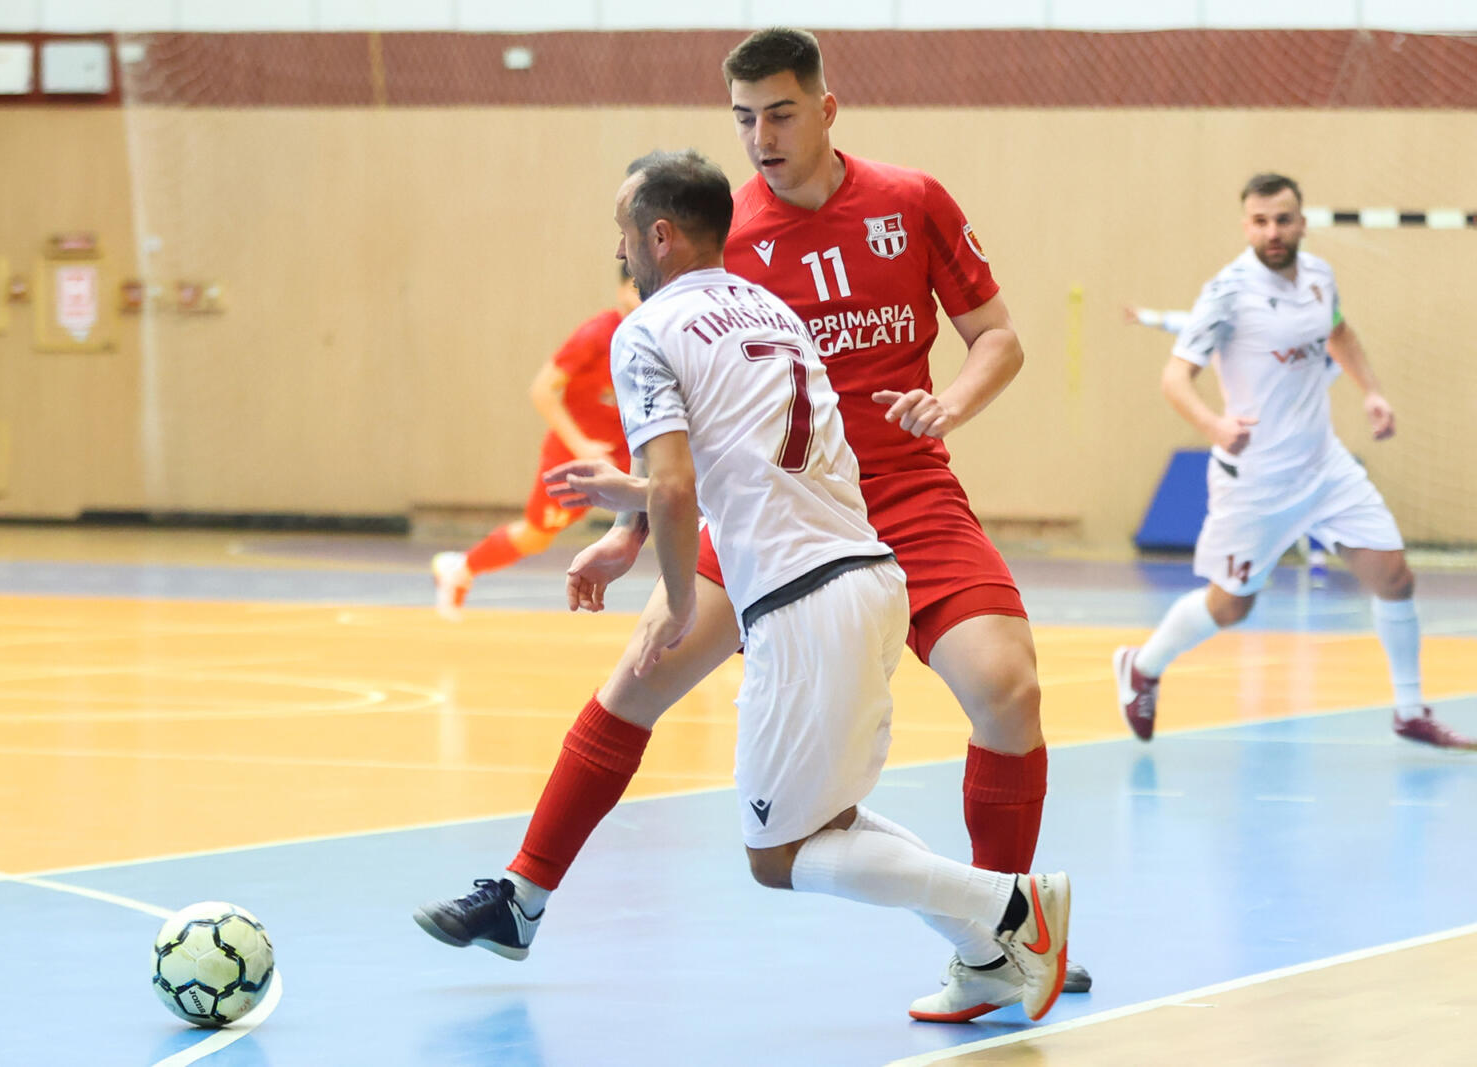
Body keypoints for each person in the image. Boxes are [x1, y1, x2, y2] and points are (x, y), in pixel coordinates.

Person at [415, 27, 1091, 1021]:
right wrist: (636, 532)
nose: (761, 138)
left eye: (778, 113)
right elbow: (691, 424)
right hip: (776, 506)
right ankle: (523, 892)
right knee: (642, 668)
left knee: (1007, 688)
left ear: (825, 108)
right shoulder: (725, 244)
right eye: (742, 119)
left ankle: (1004, 936)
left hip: (903, 489)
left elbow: (998, 336)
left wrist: (948, 403)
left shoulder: (911, 201)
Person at [1113, 173, 1473, 749]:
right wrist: (1214, 426)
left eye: (1283, 220)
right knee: (1231, 606)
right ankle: (1143, 666)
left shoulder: (1320, 277)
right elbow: (1175, 378)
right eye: (1260, 222)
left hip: (1325, 466)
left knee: (1395, 576)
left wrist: (1372, 392)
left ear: (1302, 222)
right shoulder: (1227, 293)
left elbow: (1340, 334)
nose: (1273, 232)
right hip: (1256, 481)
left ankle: (1411, 711)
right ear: (1246, 226)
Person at [430, 266, 641, 621]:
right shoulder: (595, 334)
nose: (643, 296)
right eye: (635, 288)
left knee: (676, 504)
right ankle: (460, 568)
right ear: (621, 290)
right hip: (578, 453)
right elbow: (542, 390)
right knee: (537, 536)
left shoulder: (655, 335)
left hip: (625, 450)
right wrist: (581, 446)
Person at [1124, 304, 1332, 585]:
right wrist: (1148, 317)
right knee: (1247, 507)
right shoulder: (1226, 332)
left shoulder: (1294, 346)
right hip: (1248, 440)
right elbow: (1186, 323)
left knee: (1310, 495)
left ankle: (1315, 560)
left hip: (1293, 440)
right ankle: (1246, 565)